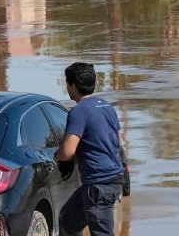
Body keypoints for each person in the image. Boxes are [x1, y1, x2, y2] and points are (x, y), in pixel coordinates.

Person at [56, 62, 125, 236]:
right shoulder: (106, 106)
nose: (67, 88)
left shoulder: (79, 111)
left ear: (72, 86)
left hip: (98, 184)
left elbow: (68, 151)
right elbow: (119, 141)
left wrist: (56, 155)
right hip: (113, 180)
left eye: (67, 84)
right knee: (68, 220)